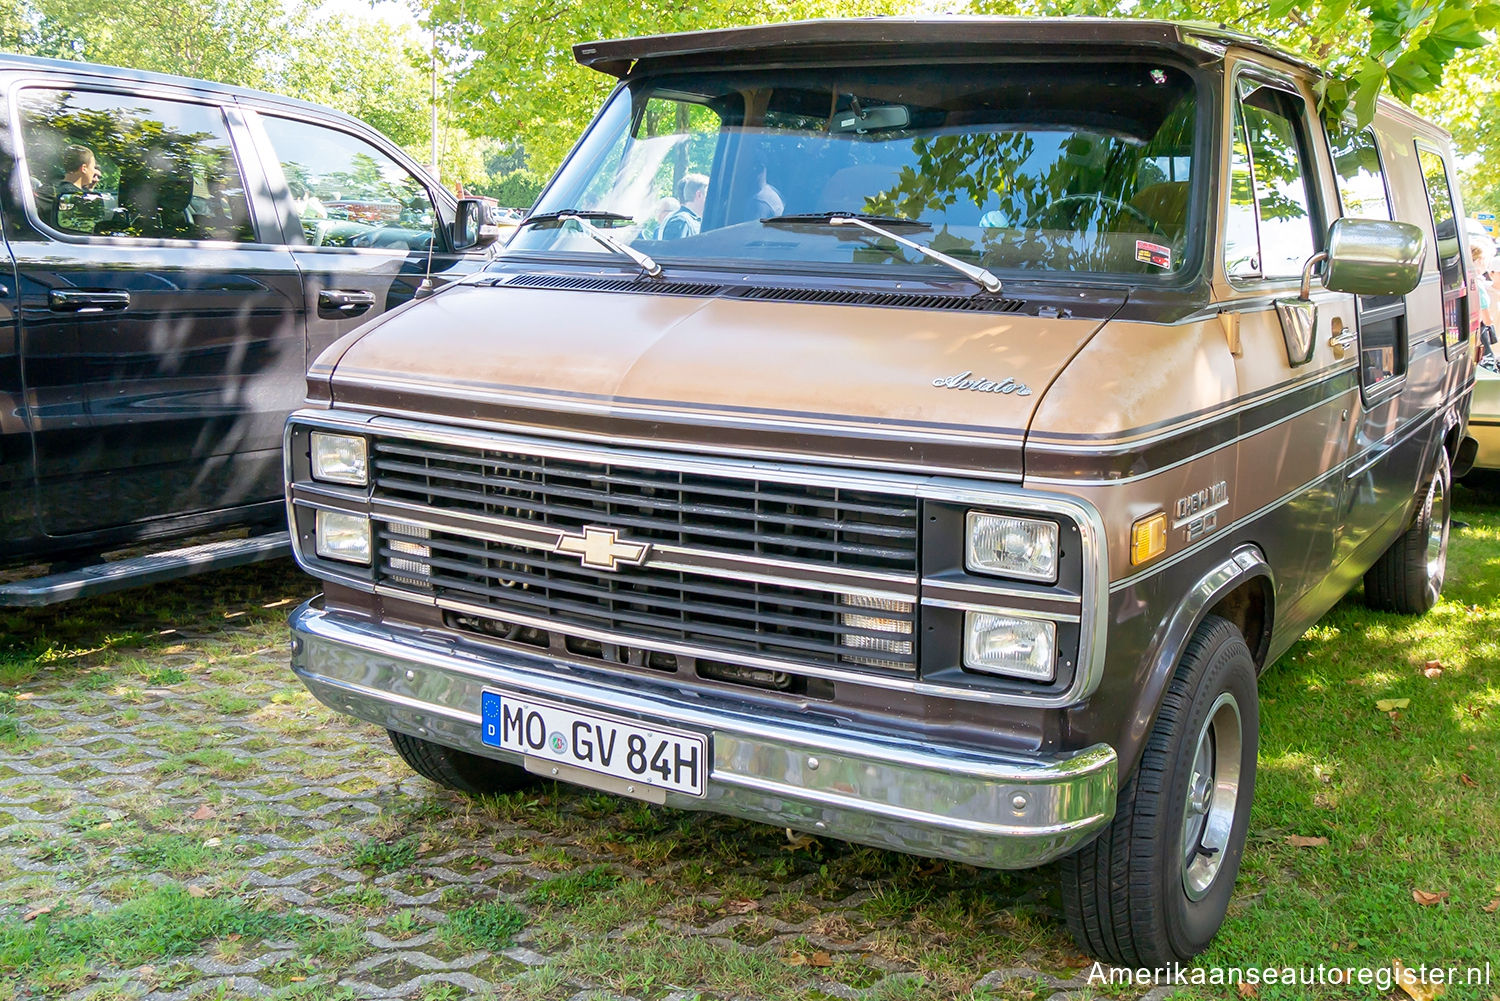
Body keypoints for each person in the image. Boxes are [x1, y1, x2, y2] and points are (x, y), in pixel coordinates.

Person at [661, 173, 708, 239]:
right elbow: (673, 248)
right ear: (699, 195)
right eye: (707, 195)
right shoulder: (680, 222)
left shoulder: (693, 221)